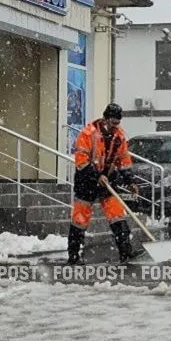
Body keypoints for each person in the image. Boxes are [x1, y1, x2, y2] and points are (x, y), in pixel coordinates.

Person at [68, 103, 139, 264]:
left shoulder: (119, 136)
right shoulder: (88, 134)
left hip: (108, 180)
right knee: (80, 219)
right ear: (105, 119)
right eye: (113, 122)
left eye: (117, 123)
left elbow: (124, 161)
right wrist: (97, 176)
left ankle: (125, 252)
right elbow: (81, 161)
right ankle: (73, 255)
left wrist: (130, 181)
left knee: (117, 215)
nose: (115, 126)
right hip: (86, 181)